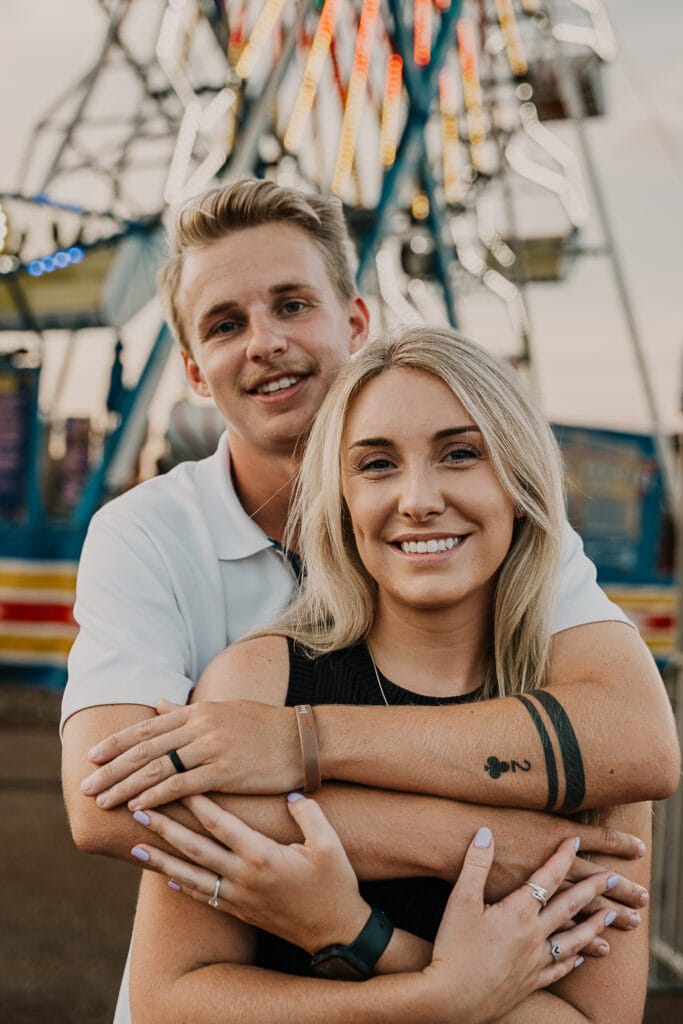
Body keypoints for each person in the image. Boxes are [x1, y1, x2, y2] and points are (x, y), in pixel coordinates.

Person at [60, 180, 678, 1022]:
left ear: (354, 322)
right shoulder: (157, 551)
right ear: (193, 370)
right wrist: (469, 847)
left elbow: (634, 743)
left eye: (291, 305)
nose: (266, 343)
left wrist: (296, 752)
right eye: (226, 324)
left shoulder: (508, 558)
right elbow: (109, 802)